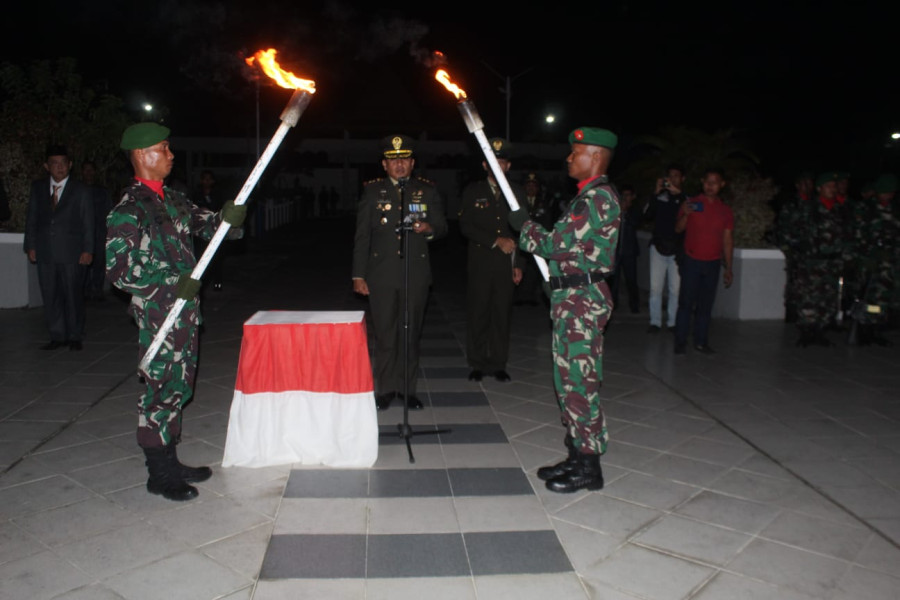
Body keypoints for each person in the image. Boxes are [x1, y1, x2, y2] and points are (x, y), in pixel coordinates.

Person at [106, 123, 246, 501]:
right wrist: (171, 283)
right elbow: (119, 272)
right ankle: (159, 473)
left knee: (178, 388)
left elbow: (209, 227)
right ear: (140, 155)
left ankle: (171, 458)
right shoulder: (129, 209)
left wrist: (229, 218)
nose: (170, 155)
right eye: (162, 148)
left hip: (184, 314)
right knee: (159, 392)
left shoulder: (173, 199)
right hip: (158, 316)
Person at [507, 126, 621, 494]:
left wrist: (524, 226)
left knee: (580, 384)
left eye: (577, 152)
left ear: (597, 157)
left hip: (582, 303)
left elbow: (555, 244)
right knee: (568, 380)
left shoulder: (598, 198)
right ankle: (576, 453)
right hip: (572, 300)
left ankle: (589, 467)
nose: (569, 158)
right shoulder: (585, 196)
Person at [351, 134, 447, 411]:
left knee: (410, 333)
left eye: (404, 159)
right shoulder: (372, 192)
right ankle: (386, 389)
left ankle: (407, 389)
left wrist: (429, 229)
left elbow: (442, 227)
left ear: (413, 162)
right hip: (380, 275)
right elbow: (362, 237)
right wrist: (358, 275)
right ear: (384, 164)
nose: (400, 165)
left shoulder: (426, 190)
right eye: (394, 161)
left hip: (415, 274)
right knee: (385, 334)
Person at [458, 137, 523, 383]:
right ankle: (476, 362)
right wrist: (495, 240)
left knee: (501, 315)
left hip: (507, 264)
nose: (498, 165)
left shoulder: (516, 192)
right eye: (493, 162)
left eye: (503, 162)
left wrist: (519, 264)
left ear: (508, 166)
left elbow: (523, 231)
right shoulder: (473, 191)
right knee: (478, 314)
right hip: (480, 263)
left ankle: (498, 363)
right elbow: (465, 225)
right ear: (485, 165)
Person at [23, 145, 94, 351]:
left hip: (72, 251)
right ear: (47, 166)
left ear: (70, 165)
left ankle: (74, 335)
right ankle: (57, 335)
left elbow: (88, 222)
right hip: (45, 250)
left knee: (72, 294)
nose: (59, 167)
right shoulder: (38, 187)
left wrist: (88, 250)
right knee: (50, 293)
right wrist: (31, 245)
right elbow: (32, 218)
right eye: (54, 163)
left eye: (63, 163)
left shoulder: (80, 189)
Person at [673, 167, 734, 355]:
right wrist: (686, 214)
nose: (710, 186)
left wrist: (729, 267)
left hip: (713, 263)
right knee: (685, 303)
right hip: (692, 261)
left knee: (705, 305)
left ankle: (701, 341)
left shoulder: (725, 211)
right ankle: (680, 341)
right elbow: (678, 229)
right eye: (707, 182)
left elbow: (727, 240)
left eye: (714, 183)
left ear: (721, 185)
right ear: (702, 182)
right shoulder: (691, 203)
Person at [791, 172, 847, 347]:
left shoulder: (840, 210)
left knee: (827, 298)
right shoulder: (808, 208)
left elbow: (848, 235)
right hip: (810, 261)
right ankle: (806, 332)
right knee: (808, 297)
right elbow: (793, 233)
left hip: (831, 262)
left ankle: (820, 331)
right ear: (819, 189)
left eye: (834, 186)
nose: (833, 189)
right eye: (829, 186)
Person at [847, 173, 898, 346]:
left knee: (882, 298)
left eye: (891, 192)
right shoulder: (866, 208)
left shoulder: (895, 209)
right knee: (866, 296)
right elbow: (858, 235)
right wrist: (869, 255)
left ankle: (875, 327)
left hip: (890, 263)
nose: (888, 195)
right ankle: (863, 327)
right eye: (885, 192)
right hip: (870, 261)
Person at [642, 164, 687, 333]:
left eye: (676, 176)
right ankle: (655, 322)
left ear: (683, 179)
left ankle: (673, 323)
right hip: (658, 247)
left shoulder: (686, 198)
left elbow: (693, 212)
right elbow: (646, 215)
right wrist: (656, 192)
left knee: (675, 288)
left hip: (677, 249)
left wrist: (679, 194)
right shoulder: (659, 197)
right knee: (655, 287)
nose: (673, 179)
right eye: (670, 176)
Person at [775, 172, 814, 323]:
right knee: (794, 283)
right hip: (795, 251)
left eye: (810, 182)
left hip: (812, 253)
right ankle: (792, 312)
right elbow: (783, 229)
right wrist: (792, 245)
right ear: (797, 185)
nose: (807, 186)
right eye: (804, 182)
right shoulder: (791, 205)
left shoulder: (815, 205)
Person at [514, 172, 555, 306]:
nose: (531, 188)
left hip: (538, 241)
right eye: (528, 185)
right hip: (520, 242)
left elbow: (547, 223)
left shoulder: (543, 203)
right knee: (520, 266)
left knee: (535, 269)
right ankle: (519, 296)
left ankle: (532, 296)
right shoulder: (517, 202)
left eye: (533, 185)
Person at [81, 160, 113, 301]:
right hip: (83, 234)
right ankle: (84, 290)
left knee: (99, 262)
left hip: (100, 232)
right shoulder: (77, 190)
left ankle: (97, 290)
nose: (88, 173)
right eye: (85, 170)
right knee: (84, 263)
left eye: (90, 170)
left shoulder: (102, 191)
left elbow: (109, 211)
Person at [610, 184, 640, 314]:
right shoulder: (614, 209)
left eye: (628, 195)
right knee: (614, 281)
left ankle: (634, 305)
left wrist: (625, 213)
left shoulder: (634, 211)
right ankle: (613, 304)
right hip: (615, 252)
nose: (625, 198)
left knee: (631, 280)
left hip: (629, 252)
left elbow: (636, 223)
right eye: (623, 195)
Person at [193, 170, 226, 291]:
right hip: (200, 233)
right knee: (200, 258)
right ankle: (201, 283)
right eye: (204, 179)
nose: (207, 181)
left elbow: (220, 209)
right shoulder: (196, 194)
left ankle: (217, 283)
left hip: (215, 230)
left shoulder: (218, 194)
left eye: (209, 179)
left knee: (216, 258)